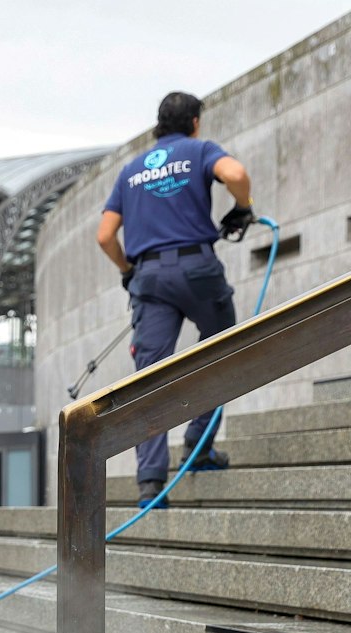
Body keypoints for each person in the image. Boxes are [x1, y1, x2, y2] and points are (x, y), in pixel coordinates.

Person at [96, 91, 255, 504]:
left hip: (149, 278)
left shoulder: (131, 171)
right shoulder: (198, 150)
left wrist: (128, 271)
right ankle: (199, 445)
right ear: (195, 123)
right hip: (197, 269)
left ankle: (150, 482)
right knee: (222, 351)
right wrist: (243, 207)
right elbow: (236, 173)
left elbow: (105, 235)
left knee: (149, 376)